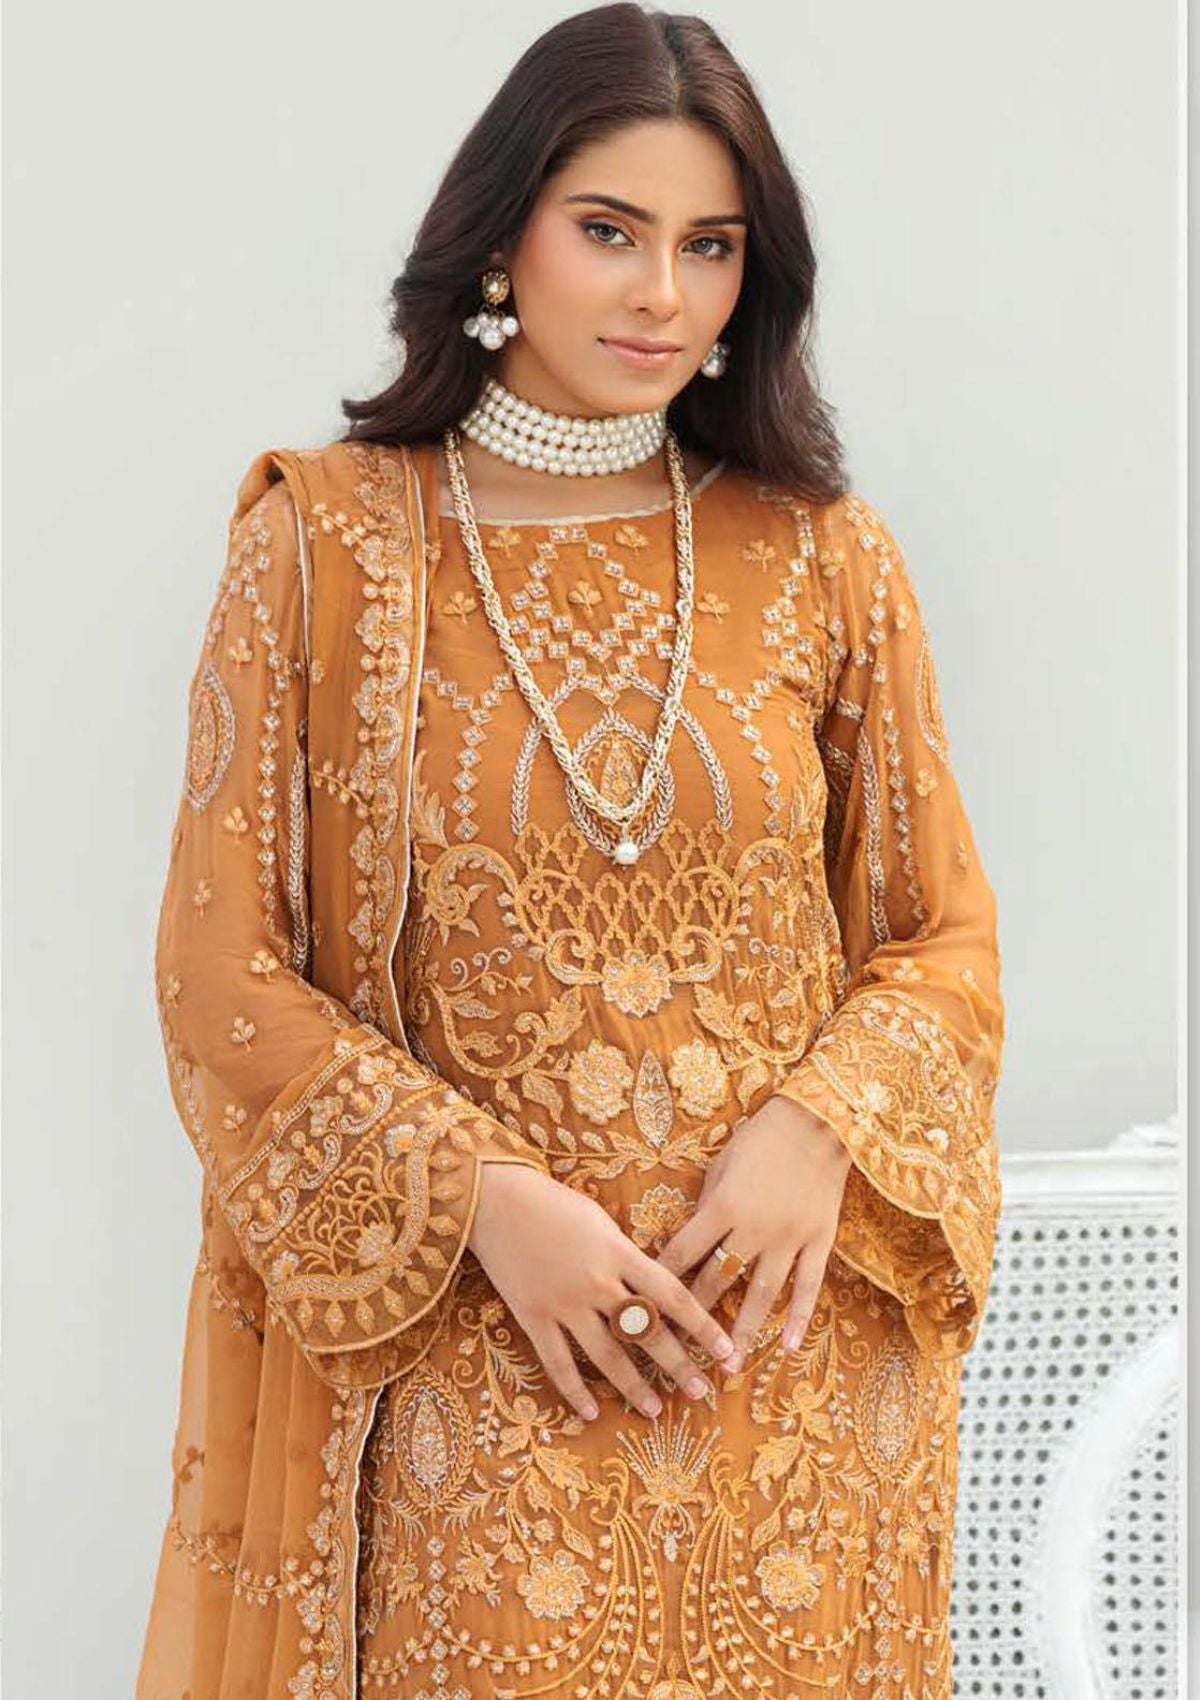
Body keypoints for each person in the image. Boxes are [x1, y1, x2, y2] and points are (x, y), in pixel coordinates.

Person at [137, 6, 1005, 1697]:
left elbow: (942, 939)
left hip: (787, 1383)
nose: (660, 295)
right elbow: (220, 972)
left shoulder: (825, 556)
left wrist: (818, 1134)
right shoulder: (324, 547)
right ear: (500, 236)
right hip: (470, 1354)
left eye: (710, 246)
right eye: (610, 231)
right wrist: (485, 1201)